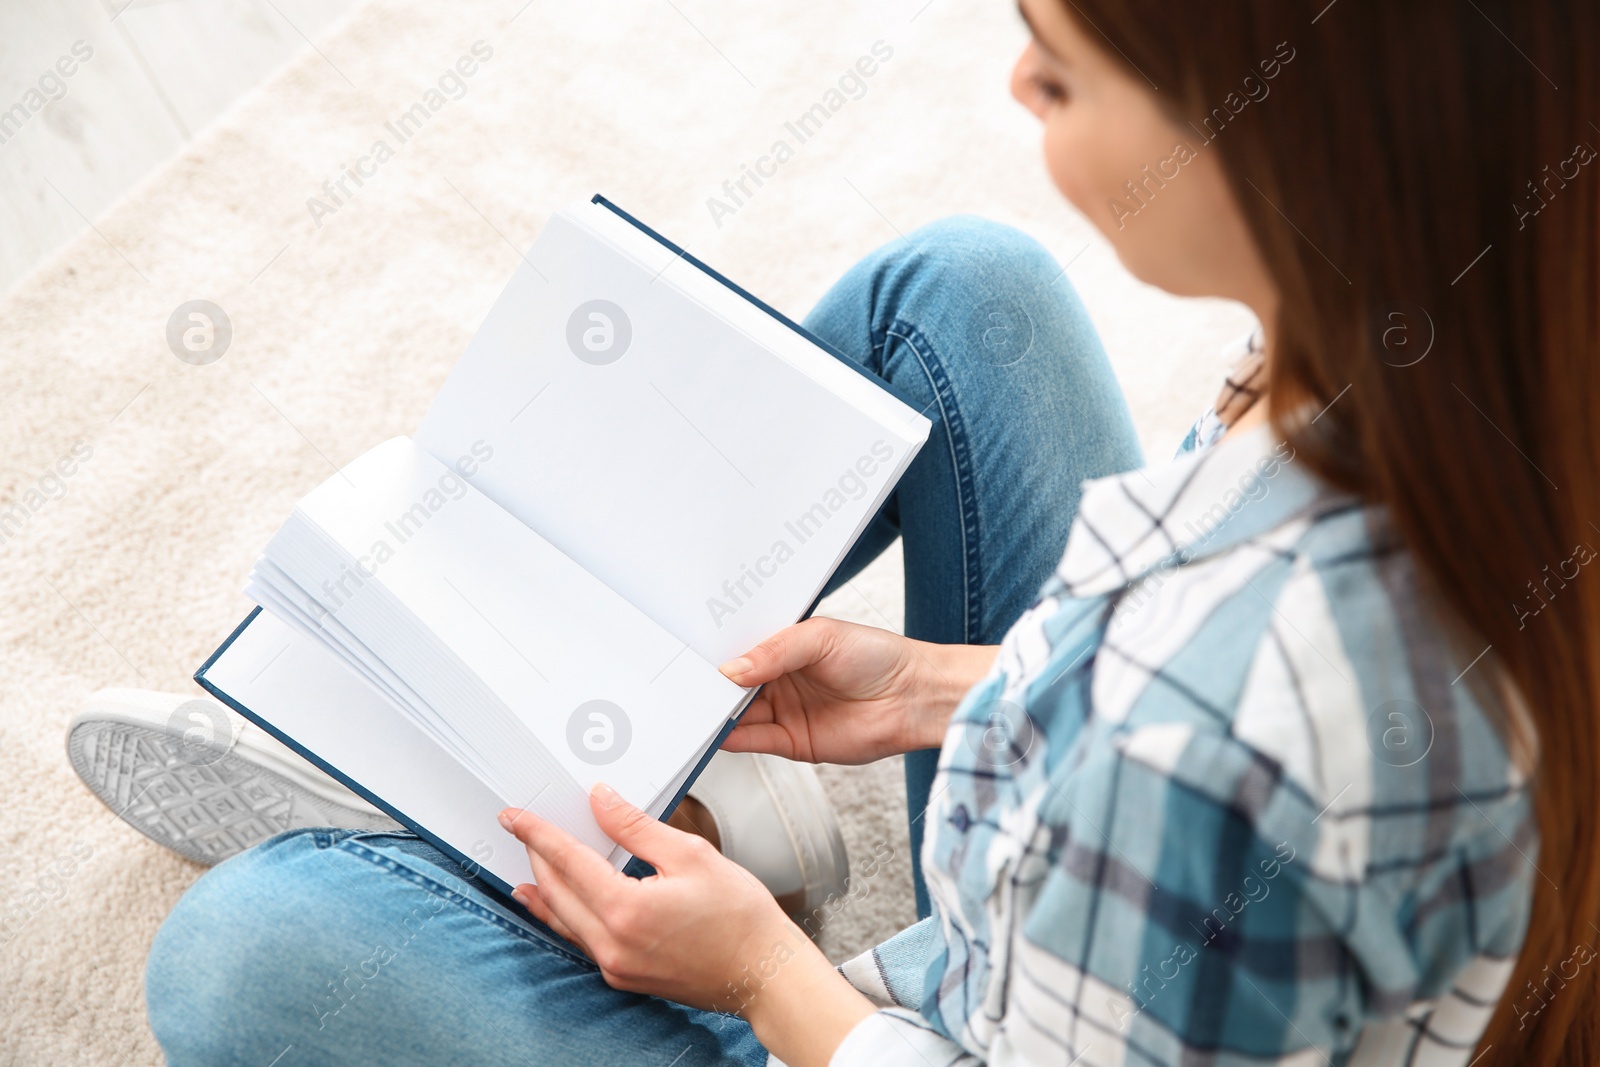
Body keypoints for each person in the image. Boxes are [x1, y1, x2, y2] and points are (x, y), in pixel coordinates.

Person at [77, 0, 1598, 1063]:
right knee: (964, 292)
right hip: (1085, 900)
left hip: (963, 1024)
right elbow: (1181, 678)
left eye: (1059, 70)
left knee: (248, 952)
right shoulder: (1488, 336)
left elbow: (1197, 737)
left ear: (1291, 138)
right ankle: (630, 773)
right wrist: (947, 687)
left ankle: (483, 831)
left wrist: (761, 973)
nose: (1016, 84)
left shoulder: (1212, 747)